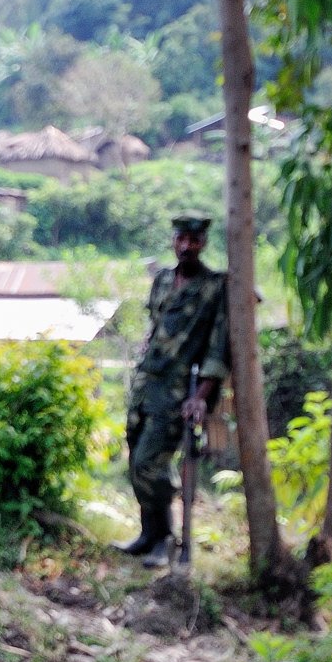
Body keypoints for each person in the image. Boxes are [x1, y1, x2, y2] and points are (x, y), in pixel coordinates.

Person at [120, 215, 230, 567]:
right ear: (173, 240)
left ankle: (165, 539)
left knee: (149, 463)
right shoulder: (163, 279)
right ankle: (149, 533)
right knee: (135, 458)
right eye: (181, 239)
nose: (186, 247)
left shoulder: (214, 287)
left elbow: (218, 348)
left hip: (177, 389)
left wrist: (200, 397)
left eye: (194, 240)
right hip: (145, 382)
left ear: (204, 244)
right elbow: (155, 327)